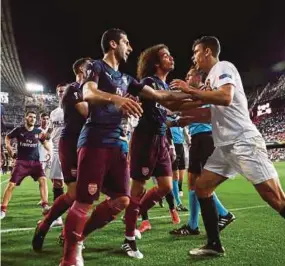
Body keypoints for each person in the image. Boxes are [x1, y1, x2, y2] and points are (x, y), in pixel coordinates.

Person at [59, 28, 191, 266]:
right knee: (84, 200)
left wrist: (198, 96)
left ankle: (79, 236)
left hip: (118, 146)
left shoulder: (128, 80)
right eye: (126, 43)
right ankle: (70, 255)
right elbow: (88, 92)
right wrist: (117, 99)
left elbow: (160, 96)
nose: (129, 47)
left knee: (123, 200)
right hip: (95, 140)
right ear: (112, 44)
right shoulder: (96, 67)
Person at [170, 36, 285, 256]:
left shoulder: (222, 67)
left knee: (274, 197)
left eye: (195, 52)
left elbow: (226, 98)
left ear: (207, 51)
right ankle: (214, 245)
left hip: (243, 141)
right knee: (202, 187)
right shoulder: (211, 79)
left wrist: (189, 89)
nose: (193, 57)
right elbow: (213, 112)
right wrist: (186, 119)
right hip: (225, 148)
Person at [122, 44, 193, 259]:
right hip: (145, 139)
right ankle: (128, 239)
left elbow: (171, 106)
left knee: (165, 186)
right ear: (155, 62)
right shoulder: (149, 83)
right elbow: (167, 99)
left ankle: (132, 217)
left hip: (161, 140)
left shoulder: (162, 83)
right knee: (138, 188)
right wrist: (194, 94)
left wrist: (198, 99)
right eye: (165, 55)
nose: (171, 58)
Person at [32, 58, 90, 252]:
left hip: (88, 144)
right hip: (69, 144)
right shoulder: (73, 89)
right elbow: (87, 112)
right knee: (75, 193)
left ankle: (70, 232)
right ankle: (48, 224)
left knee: (87, 194)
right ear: (81, 69)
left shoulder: (91, 88)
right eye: (90, 66)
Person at [169, 66, 234, 236]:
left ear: (199, 77)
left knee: (201, 184)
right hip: (198, 140)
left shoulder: (206, 91)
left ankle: (223, 214)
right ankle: (193, 225)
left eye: (190, 75)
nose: (187, 77)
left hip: (206, 138)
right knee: (193, 183)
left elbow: (203, 113)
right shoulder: (197, 94)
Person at [0, 111, 51, 219]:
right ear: (26, 118)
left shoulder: (38, 132)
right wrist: (9, 148)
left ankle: (45, 204)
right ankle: (3, 209)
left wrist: (49, 151)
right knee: (11, 185)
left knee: (43, 180)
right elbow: (7, 138)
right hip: (21, 162)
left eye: (34, 117)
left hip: (35, 163)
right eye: (30, 117)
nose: (33, 119)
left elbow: (44, 142)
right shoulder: (19, 130)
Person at [48, 83, 66, 226]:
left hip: (70, 149)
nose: (61, 93)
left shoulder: (76, 108)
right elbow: (50, 130)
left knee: (75, 184)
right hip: (55, 150)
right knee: (57, 183)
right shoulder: (53, 113)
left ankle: (75, 214)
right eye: (59, 91)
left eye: (63, 91)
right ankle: (58, 217)